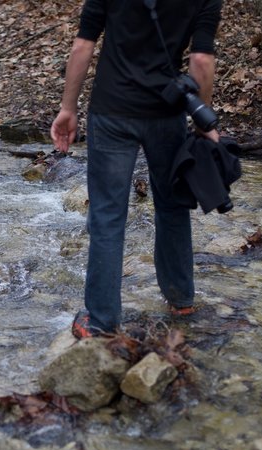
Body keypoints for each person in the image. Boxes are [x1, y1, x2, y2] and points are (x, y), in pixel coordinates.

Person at [50, 0, 222, 339]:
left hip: (111, 111)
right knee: (172, 207)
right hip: (166, 114)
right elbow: (200, 60)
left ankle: (100, 320)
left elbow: (83, 45)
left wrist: (68, 108)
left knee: (108, 215)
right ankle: (181, 299)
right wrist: (204, 120)